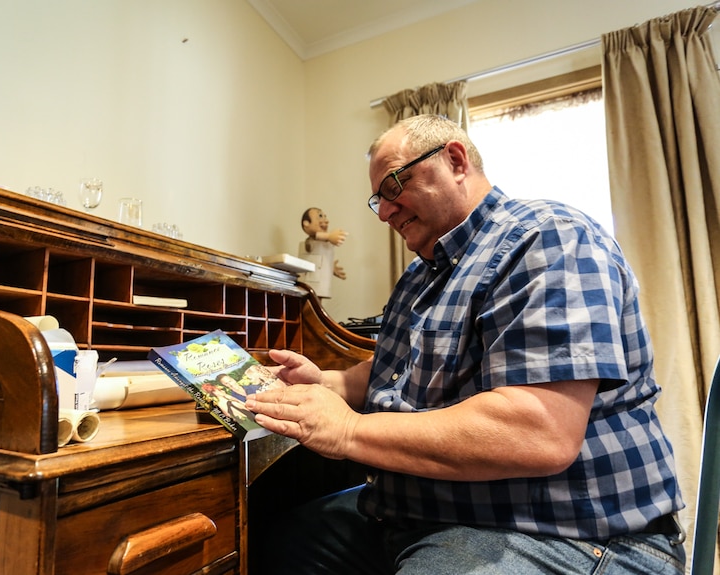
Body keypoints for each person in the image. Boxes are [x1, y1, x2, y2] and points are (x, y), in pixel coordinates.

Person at [246, 114, 685, 574]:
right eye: (378, 199)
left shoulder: (546, 237)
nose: (384, 212)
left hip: (566, 532)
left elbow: (538, 431)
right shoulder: (421, 274)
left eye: (394, 185)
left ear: (455, 160)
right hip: (422, 515)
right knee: (273, 542)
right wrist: (331, 383)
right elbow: (397, 370)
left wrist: (348, 430)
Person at [298, 207, 348, 298]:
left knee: (316, 302)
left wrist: (330, 267)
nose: (326, 220)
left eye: (325, 217)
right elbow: (318, 236)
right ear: (306, 223)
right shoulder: (313, 242)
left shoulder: (323, 245)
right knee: (310, 302)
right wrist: (329, 236)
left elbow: (319, 259)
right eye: (320, 216)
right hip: (310, 285)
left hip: (319, 285)